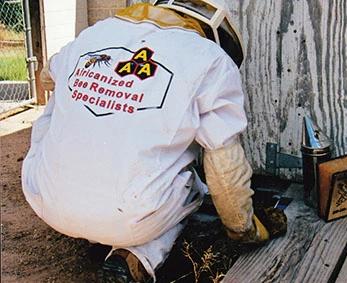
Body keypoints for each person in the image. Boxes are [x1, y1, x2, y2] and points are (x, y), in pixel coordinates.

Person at [22, 0, 270, 282]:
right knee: (193, 188)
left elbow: (47, 77)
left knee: (59, 99)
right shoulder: (211, 59)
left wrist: (105, 89)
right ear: (214, 27)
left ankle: (107, 230)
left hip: (46, 198)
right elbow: (225, 166)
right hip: (131, 217)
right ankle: (141, 255)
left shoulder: (95, 33)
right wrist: (243, 228)